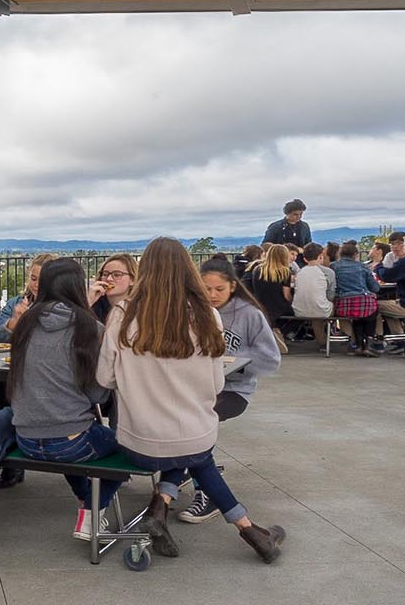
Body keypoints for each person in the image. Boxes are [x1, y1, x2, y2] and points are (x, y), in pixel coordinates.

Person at [96, 238, 285, 562]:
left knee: (185, 448)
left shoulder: (122, 315)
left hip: (138, 441)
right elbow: (215, 384)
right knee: (195, 450)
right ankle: (247, 527)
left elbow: (104, 379)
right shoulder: (206, 315)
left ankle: (164, 508)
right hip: (193, 438)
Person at [5, 258, 124, 538]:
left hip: (25, 438)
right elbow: (97, 393)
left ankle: (86, 503)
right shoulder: (88, 327)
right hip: (70, 442)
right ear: (77, 285)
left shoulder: (24, 324)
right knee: (130, 448)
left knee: (75, 437)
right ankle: (94, 510)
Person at [184, 258, 283, 525]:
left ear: (232, 287)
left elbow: (271, 359)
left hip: (234, 389)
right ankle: (182, 469)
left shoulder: (249, 314)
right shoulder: (190, 310)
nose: (213, 295)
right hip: (196, 387)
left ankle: (206, 490)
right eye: (206, 289)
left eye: (219, 289)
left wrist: (236, 362)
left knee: (198, 420)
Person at [329, 241, 382, 355]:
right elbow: (375, 288)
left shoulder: (333, 266)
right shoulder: (363, 266)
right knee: (370, 314)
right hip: (364, 302)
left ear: (340, 254)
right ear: (355, 255)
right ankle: (368, 344)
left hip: (343, 304)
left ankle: (357, 344)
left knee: (356, 317)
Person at [0, 253, 55, 342]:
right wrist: (12, 324)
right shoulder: (15, 303)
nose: (37, 284)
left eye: (43, 280)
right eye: (33, 279)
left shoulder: (62, 308)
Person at [290, 242, 337, 344]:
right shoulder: (328, 272)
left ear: (305, 259)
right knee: (324, 307)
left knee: (315, 309)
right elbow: (331, 295)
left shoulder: (300, 272)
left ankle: (322, 342)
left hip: (299, 310)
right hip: (320, 310)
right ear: (321, 256)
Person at [244, 243, 296, 330]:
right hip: (279, 308)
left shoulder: (257, 269)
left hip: (261, 306)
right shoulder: (285, 272)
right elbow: (286, 295)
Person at [87, 253, 137, 322]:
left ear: (132, 280)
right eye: (105, 274)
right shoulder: (95, 305)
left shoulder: (139, 309)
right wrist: (87, 302)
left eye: (116, 275)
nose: (109, 278)